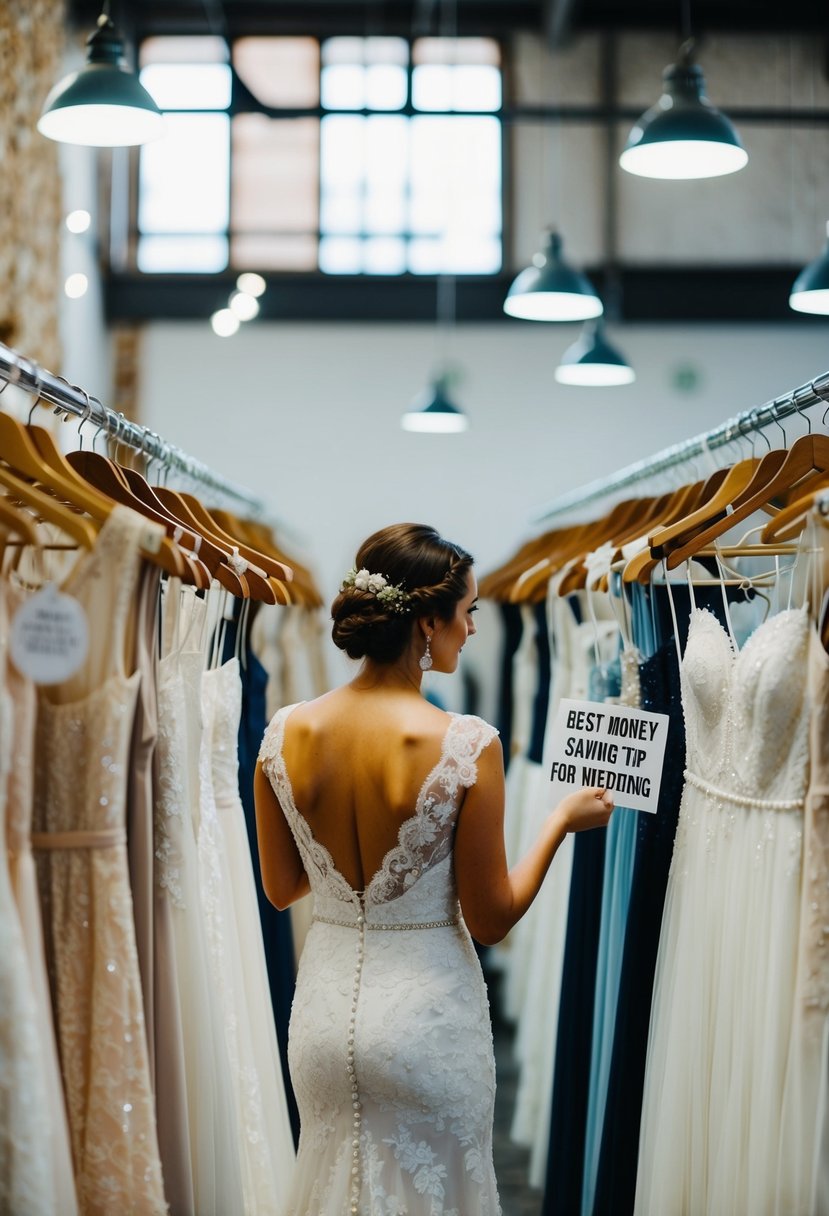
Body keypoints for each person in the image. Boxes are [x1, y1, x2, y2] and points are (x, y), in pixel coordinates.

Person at [254, 523, 614, 1215]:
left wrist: (341, 870)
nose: (473, 627)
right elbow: (491, 918)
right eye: (468, 610)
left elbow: (280, 887)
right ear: (427, 622)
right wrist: (558, 824)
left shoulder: (284, 732)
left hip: (324, 1019)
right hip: (426, 1018)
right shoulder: (466, 743)